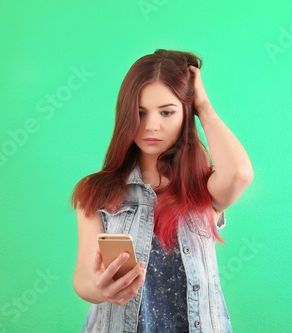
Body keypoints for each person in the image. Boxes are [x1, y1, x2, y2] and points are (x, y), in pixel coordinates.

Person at [70, 49, 253, 333]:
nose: (151, 126)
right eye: (140, 113)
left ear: (185, 112)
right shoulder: (97, 191)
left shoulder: (205, 190)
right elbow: (82, 275)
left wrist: (202, 106)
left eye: (167, 112)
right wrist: (98, 286)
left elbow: (240, 175)